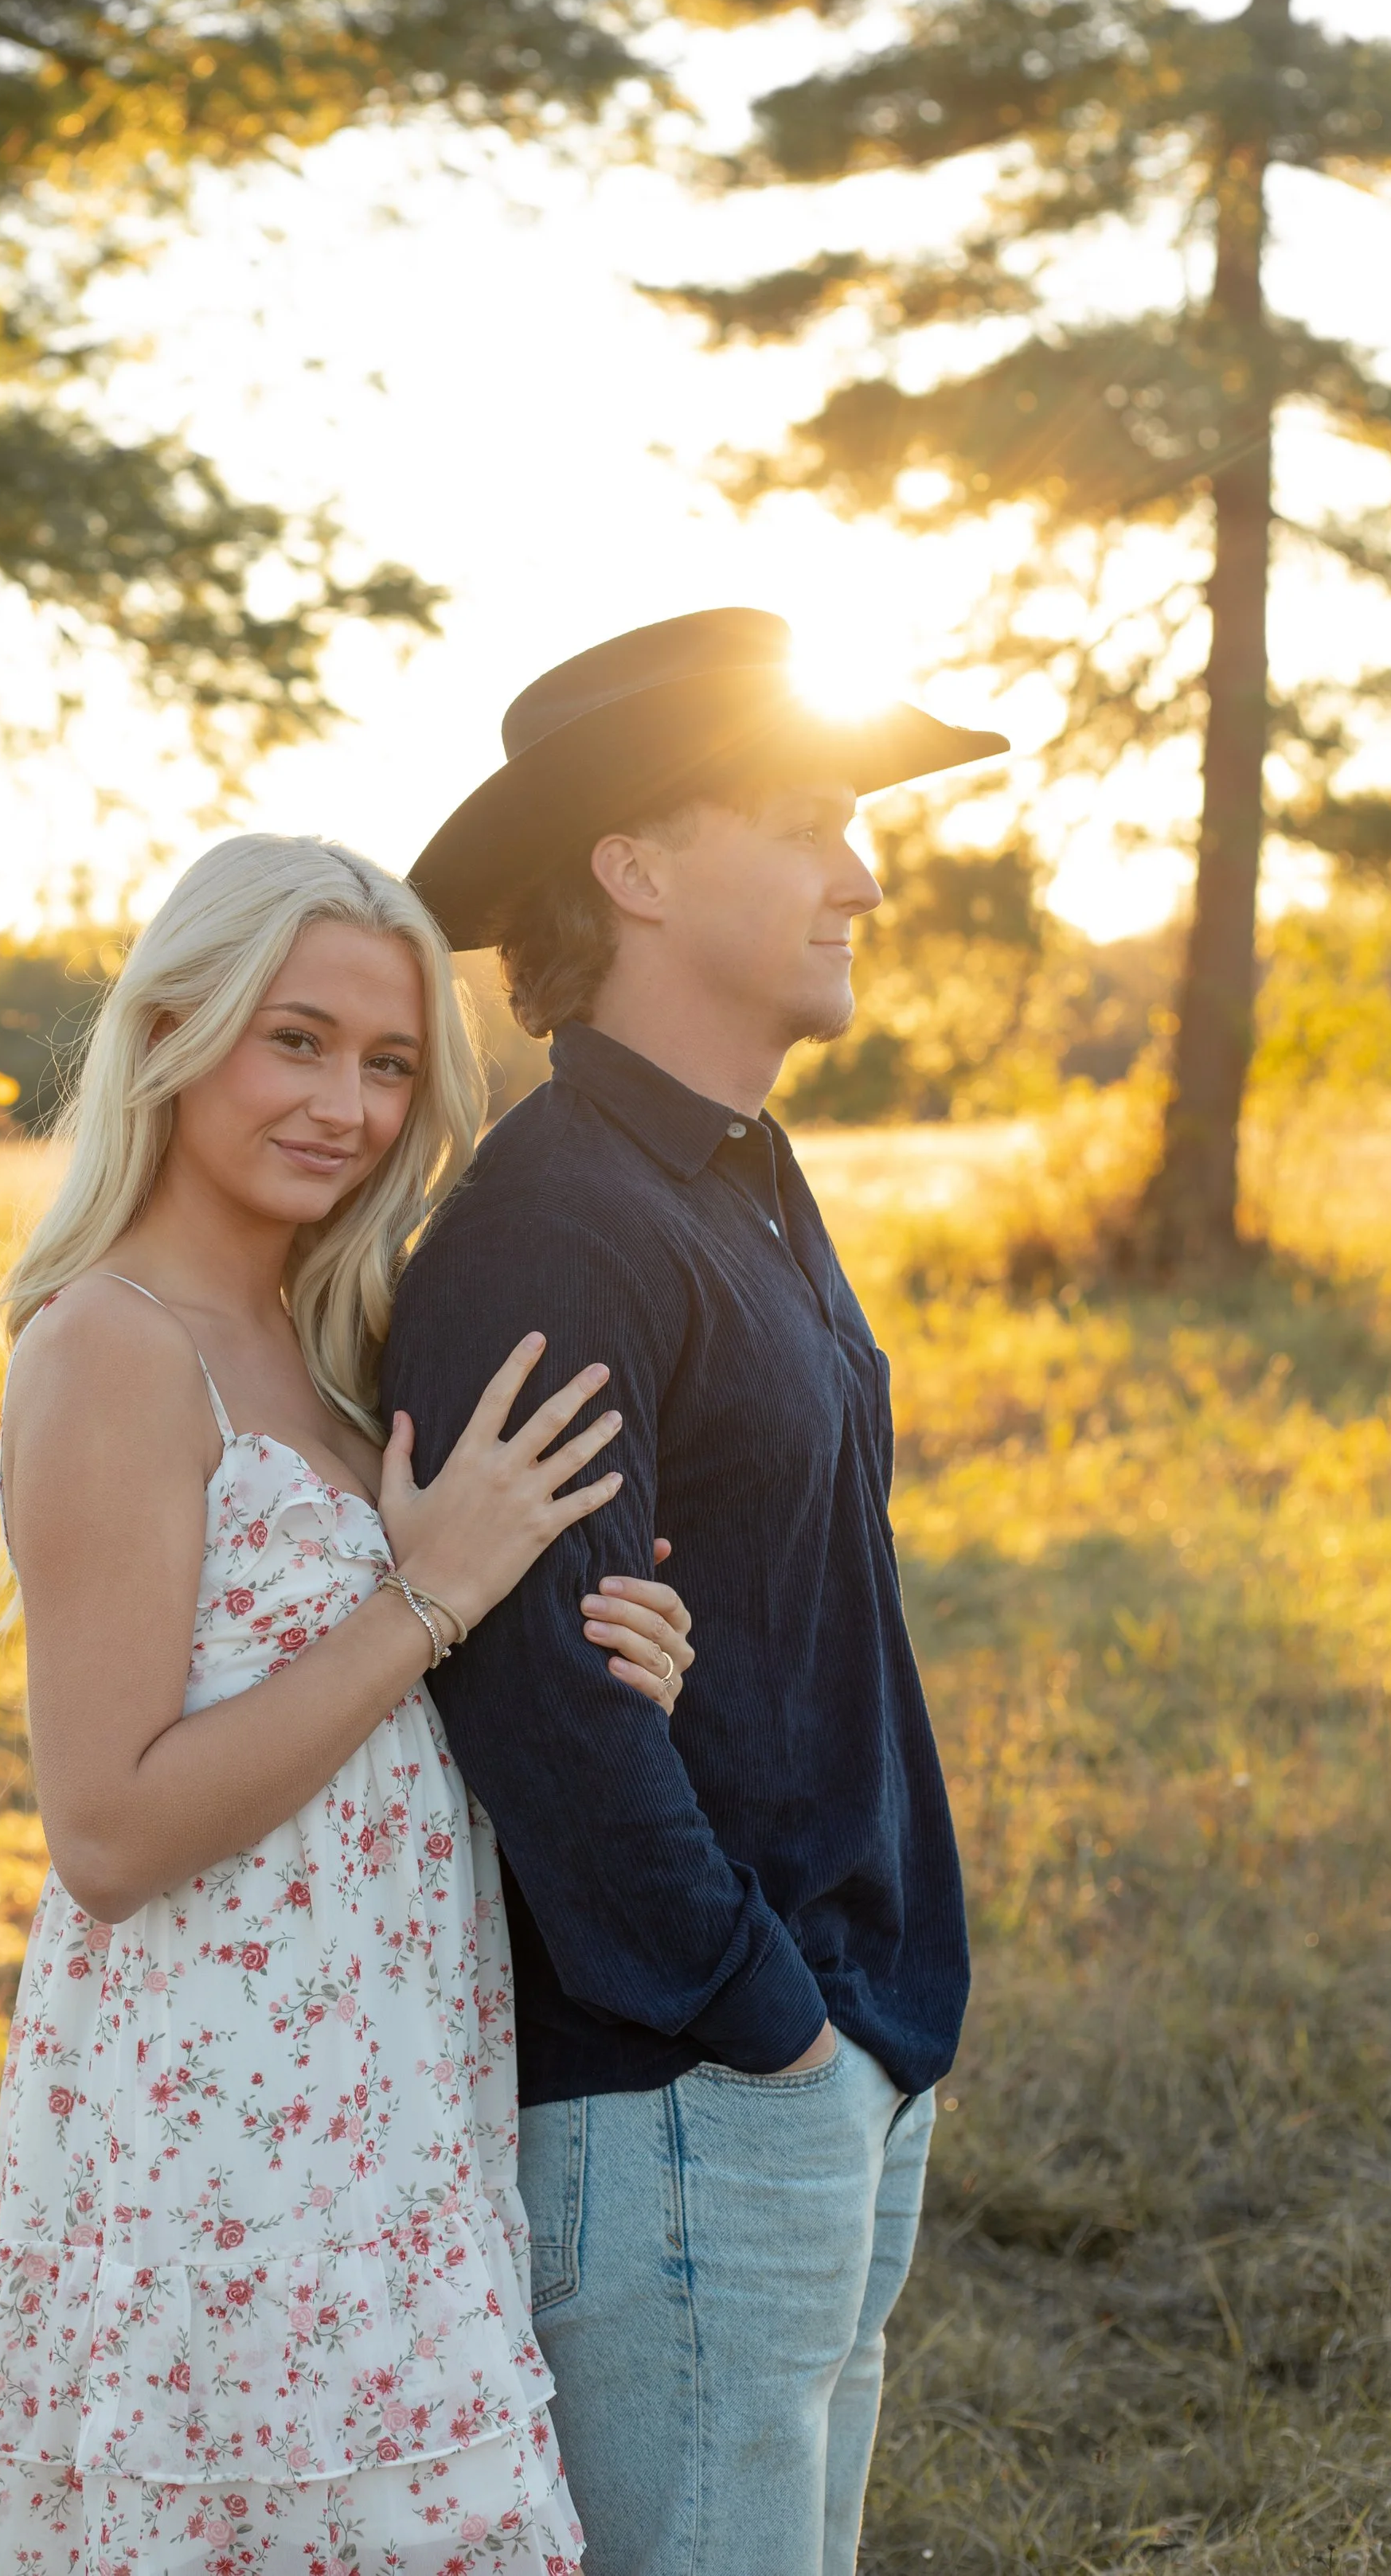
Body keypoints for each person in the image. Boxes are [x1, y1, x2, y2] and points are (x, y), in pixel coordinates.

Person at [0, 831, 697, 2576]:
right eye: (296, 1040)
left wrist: (605, 1643)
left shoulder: (333, 1338)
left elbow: (390, 1722)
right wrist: (425, 1599)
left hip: (399, 2090)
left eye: (388, 1063)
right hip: (225, 2130)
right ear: (174, 1030)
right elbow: (109, 1831)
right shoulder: (110, 1345)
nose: (344, 1103)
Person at [385, 608, 1008, 2576]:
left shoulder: (737, 1169)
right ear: (632, 868)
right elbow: (546, 1715)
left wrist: (857, 2048)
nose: (862, 869)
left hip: (834, 2057)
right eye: (808, 815)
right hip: (694, 2096)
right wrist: (766, 2034)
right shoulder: (551, 1226)